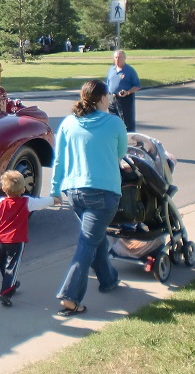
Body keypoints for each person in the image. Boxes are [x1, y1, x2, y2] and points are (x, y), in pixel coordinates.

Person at [50, 79, 128, 317]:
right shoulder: (115, 123)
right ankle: (70, 296)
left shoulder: (69, 123)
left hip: (74, 193)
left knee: (95, 239)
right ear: (103, 98)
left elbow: (59, 160)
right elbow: (121, 153)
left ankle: (109, 279)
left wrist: (54, 190)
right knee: (87, 243)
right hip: (103, 194)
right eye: (109, 97)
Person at [0, 170, 59, 307]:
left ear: (4, 189)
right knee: (13, 266)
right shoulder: (27, 202)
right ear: (23, 189)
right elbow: (43, 203)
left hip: (2, 240)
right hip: (17, 241)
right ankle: (6, 292)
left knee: (4, 264)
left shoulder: (0, 203)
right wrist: (54, 200)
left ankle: (11, 283)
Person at [106, 50, 141, 132]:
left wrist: (127, 92)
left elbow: (137, 86)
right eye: (116, 57)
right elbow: (108, 84)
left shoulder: (129, 70)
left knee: (126, 122)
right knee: (113, 121)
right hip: (112, 98)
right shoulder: (111, 70)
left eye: (119, 57)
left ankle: (130, 140)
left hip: (125, 99)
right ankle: (116, 139)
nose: (117, 59)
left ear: (124, 58)